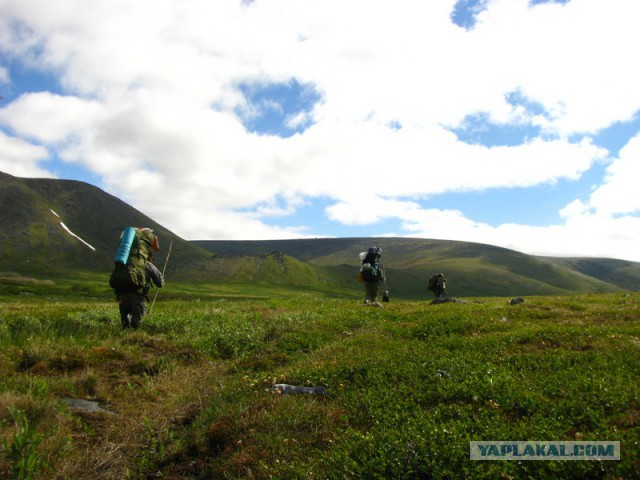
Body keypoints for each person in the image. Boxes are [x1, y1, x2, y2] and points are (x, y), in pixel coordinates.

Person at [117, 257, 164, 329]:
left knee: (125, 323)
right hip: (138, 297)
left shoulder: (125, 261)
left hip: (123, 295)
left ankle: (124, 337)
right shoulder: (148, 264)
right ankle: (136, 338)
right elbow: (160, 283)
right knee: (137, 324)